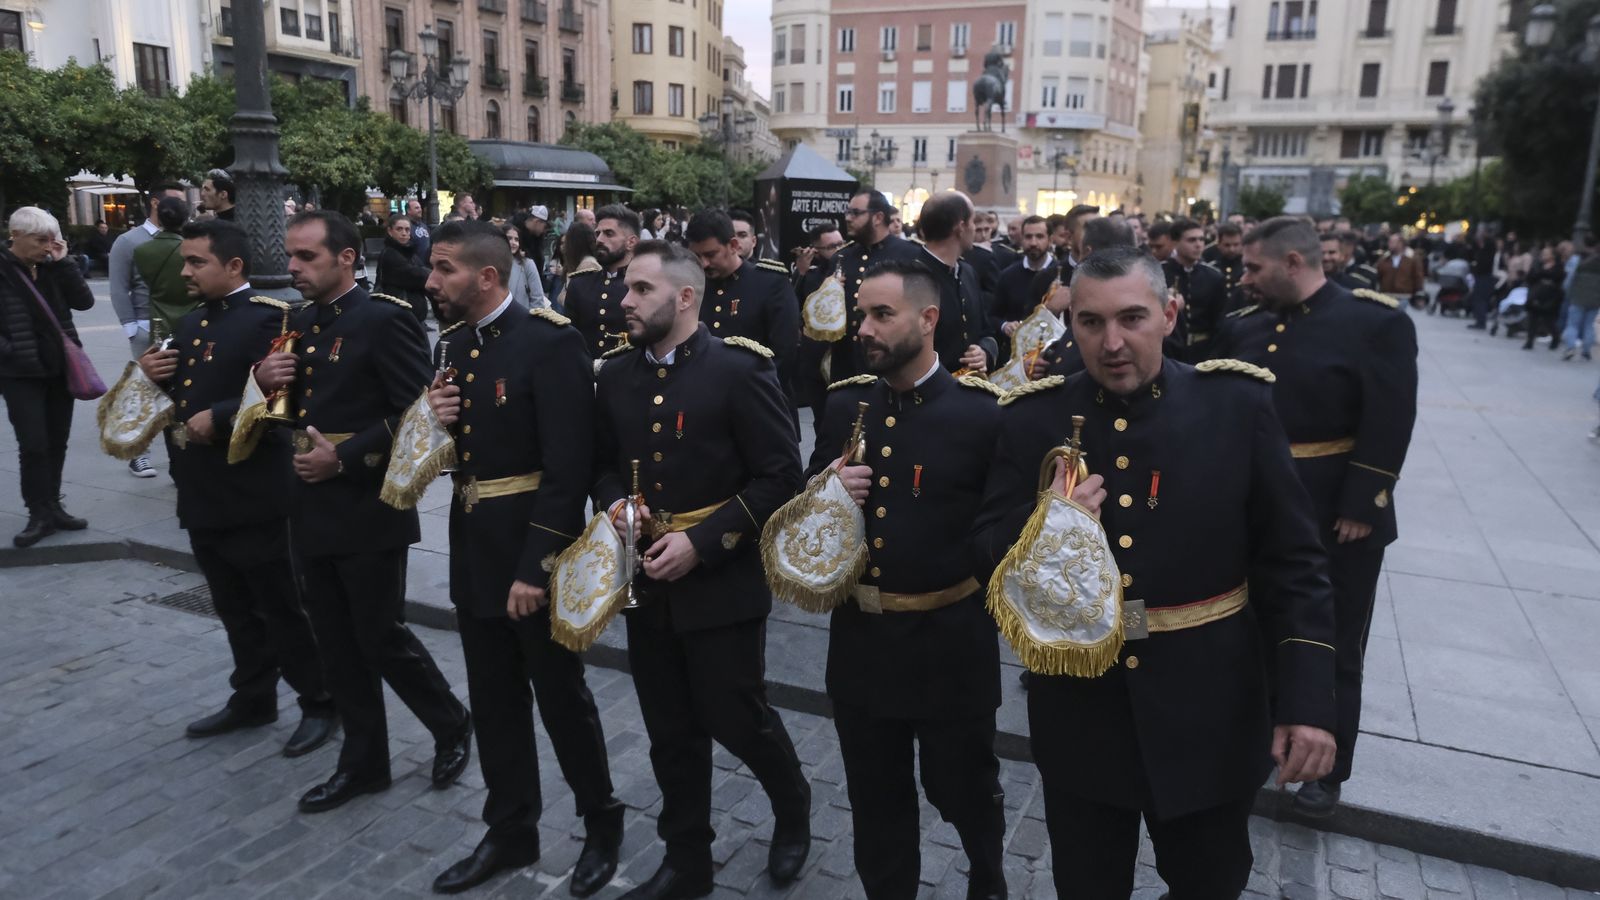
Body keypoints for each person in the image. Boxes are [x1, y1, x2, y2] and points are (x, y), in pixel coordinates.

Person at [972, 246, 1338, 898]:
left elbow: (1294, 564)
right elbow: (983, 552)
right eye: (1090, 322)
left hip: (1210, 707)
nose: (1112, 342)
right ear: (1071, 323)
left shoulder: (1235, 406)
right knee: (1087, 885)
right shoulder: (1033, 416)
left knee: (1210, 882)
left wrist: (1308, 701)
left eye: (1132, 318)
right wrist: (1044, 527)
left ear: (1169, 314)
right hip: (1082, 708)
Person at [594, 241, 811, 900]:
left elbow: (782, 476)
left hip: (722, 583)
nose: (623, 301)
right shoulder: (615, 375)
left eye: (639, 290)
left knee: (736, 716)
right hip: (648, 579)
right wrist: (613, 504)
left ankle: (792, 804)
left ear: (684, 297)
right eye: (625, 289)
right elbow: (603, 460)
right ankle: (687, 861)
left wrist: (705, 541)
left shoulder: (739, 371)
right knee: (668, 730)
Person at [419, 221, 623, 895]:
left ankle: (601, 825)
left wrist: (535, 569)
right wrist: (435, 421)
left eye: (443, 268)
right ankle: (511, 829)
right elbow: (451, 458)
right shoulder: (453, 345)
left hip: (532, 552)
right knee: (494, 699)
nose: (430, 280)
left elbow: (568, 470)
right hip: (474, 548)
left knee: (561, 697)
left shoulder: (551, 342)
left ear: (486, 277)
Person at [250, 210, 472, 814]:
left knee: (379, 636)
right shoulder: (300, 320)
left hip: (367, 504)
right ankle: (365, 763)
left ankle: (451, 722)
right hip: (307, 502)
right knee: (335, 641)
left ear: (346, 258)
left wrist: (344, 457)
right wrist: (262, 378)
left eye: (306, 257)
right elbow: (281, 410)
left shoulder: (385, 320)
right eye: (291, 256)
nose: (292, 268)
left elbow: (419, 413)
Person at [812, 259, 1007, 900]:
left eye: (881, 315)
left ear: (929, 320)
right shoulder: (845, 404)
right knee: (875, 798)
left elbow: (1000, 528)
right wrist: (826, 491)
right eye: (861, 313)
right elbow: (801, 503)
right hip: (863, 640)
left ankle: (988, 875)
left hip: (949, 641)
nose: (862, 327)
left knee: (963, 785)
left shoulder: (983, 416)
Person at [1214, 217, 1416, 817]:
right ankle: (1256, 743)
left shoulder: (1374, 322)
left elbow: (1391, 415)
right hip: (1253, 508)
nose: (1244, 279)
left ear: (1294, 262)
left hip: (1333, 513)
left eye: (1254, 268)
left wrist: (1364, 502)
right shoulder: (1240, 327)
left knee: (1333, 639)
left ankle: (1326, 772)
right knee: (1250, 629)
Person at [136, 219, 337, 755]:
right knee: (232, 605)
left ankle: (319, 701)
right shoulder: (191, 322)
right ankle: (253, 696)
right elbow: (168, 397)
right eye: (185, 261)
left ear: (234, 267)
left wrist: (222, 416)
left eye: (196, 262)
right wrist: (148, 374)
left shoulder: (270, 319)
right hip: (200, 488)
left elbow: (285, 402)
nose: (185, 272)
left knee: (282, 606)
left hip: (254, 490)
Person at [1, 206, 95, 547]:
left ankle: (54, 506)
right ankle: (37, 512)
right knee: (34, 444)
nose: (46, 247)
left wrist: (64, 262)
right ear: (16, 235)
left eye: (51, 240)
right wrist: (10, 351)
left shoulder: (52, 266)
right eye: (40, 240)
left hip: (59, 368)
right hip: (20, 373)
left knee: (57, 439)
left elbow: (84, 303)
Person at [110, 181, 186, 479]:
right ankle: (138, 452)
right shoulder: (128, 241)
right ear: (156, 203)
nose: (181, 208)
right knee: (145, 389)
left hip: (180, 324)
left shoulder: (185, 239)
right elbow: (118, 288)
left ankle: (179, 455)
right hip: (147, 327)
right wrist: (132, 328)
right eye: (176, 202)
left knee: (177, 392)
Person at [814, 191, 924, 393]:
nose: (848, 218)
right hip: (846, 367)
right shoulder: (842, 257)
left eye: (855, 213)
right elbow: (824, 322)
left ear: (878, 217)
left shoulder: (910, 254)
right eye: (847, 212)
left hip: (891, 365)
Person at [684, 209, 801, 392]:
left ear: (733, 245)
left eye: (711, 254)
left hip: (761, 394)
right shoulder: (692, 285)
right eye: (697, 256)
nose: (704, 263)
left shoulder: (770, 282)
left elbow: (784, 352)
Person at [914, 192, 998, 375]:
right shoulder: (911, 277)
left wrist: (984, 353)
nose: (975, 228)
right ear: (961, 227)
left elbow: (985, 330)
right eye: (973, 221)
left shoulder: (968, 272)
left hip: (969, 393)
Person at [565, 205, 638, 357]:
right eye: (597, 233)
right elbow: (569, 341)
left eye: (609, 234)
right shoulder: (579, 284)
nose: (599, 239)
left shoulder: (644, 287)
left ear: (631, 242)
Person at [990, 216, 1056, 362]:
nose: (1033, 243)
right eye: (1028, 237)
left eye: (1039, 236)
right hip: (1015, 358)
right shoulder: (1008, 275)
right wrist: (1004, 325)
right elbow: (993, 315)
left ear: (1050, 240)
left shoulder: (1060, 274)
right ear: (1022, 239)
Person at [134, 195, 199, 338]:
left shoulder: (141, 251)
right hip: (194, 320)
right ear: (186, 219)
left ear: (160, 218)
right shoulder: (194, 251)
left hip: (159, 322)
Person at [1162, 218, 1226, 360]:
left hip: (1203, 351)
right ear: (1175, 242)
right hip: (1167, 348)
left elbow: (1219, 321)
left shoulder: (1213, 277)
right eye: (1191, 240)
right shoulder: (1159, 272)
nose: (1198, 245)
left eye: (1201, 239)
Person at [375, 215, 433, 325]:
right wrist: (433, 274)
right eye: (399, 229)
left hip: (412, 317)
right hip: (397, 318)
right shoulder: (389, 254)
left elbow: (421, 271)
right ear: (390, 231)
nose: (404, 233)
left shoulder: (410, 253)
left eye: (407, 229)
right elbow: (415, 275)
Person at [1562, 237, 1600, 361]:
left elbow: (1570, 279)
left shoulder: (1579, 261)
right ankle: (1586, 350)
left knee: (1573, 324)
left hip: (1578, 296)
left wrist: (1567, 292)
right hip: (1595, 298)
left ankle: (1570, 347)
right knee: (1589, 325)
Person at [552, 220, 600, 314]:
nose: (565, 246)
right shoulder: (577, 264)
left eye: (567, 242)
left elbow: (578, 302)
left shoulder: (588, 265)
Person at [503, 223, 549, 310]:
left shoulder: (528, 264)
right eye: (509, 238)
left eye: (516, 239)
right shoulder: (491, 263)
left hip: (522, 319)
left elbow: (538, 299)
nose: (513, 242)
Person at [1375, 233, 1426, 307]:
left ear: (1401, 244)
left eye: (1392, 242)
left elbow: (1418, 277)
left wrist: (1419, 293)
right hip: (1385, 295)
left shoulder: (1412, 259)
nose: (1389, 244)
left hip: (1404, 296)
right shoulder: (1384, 258)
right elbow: (1378, 275)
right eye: (1389, 242)